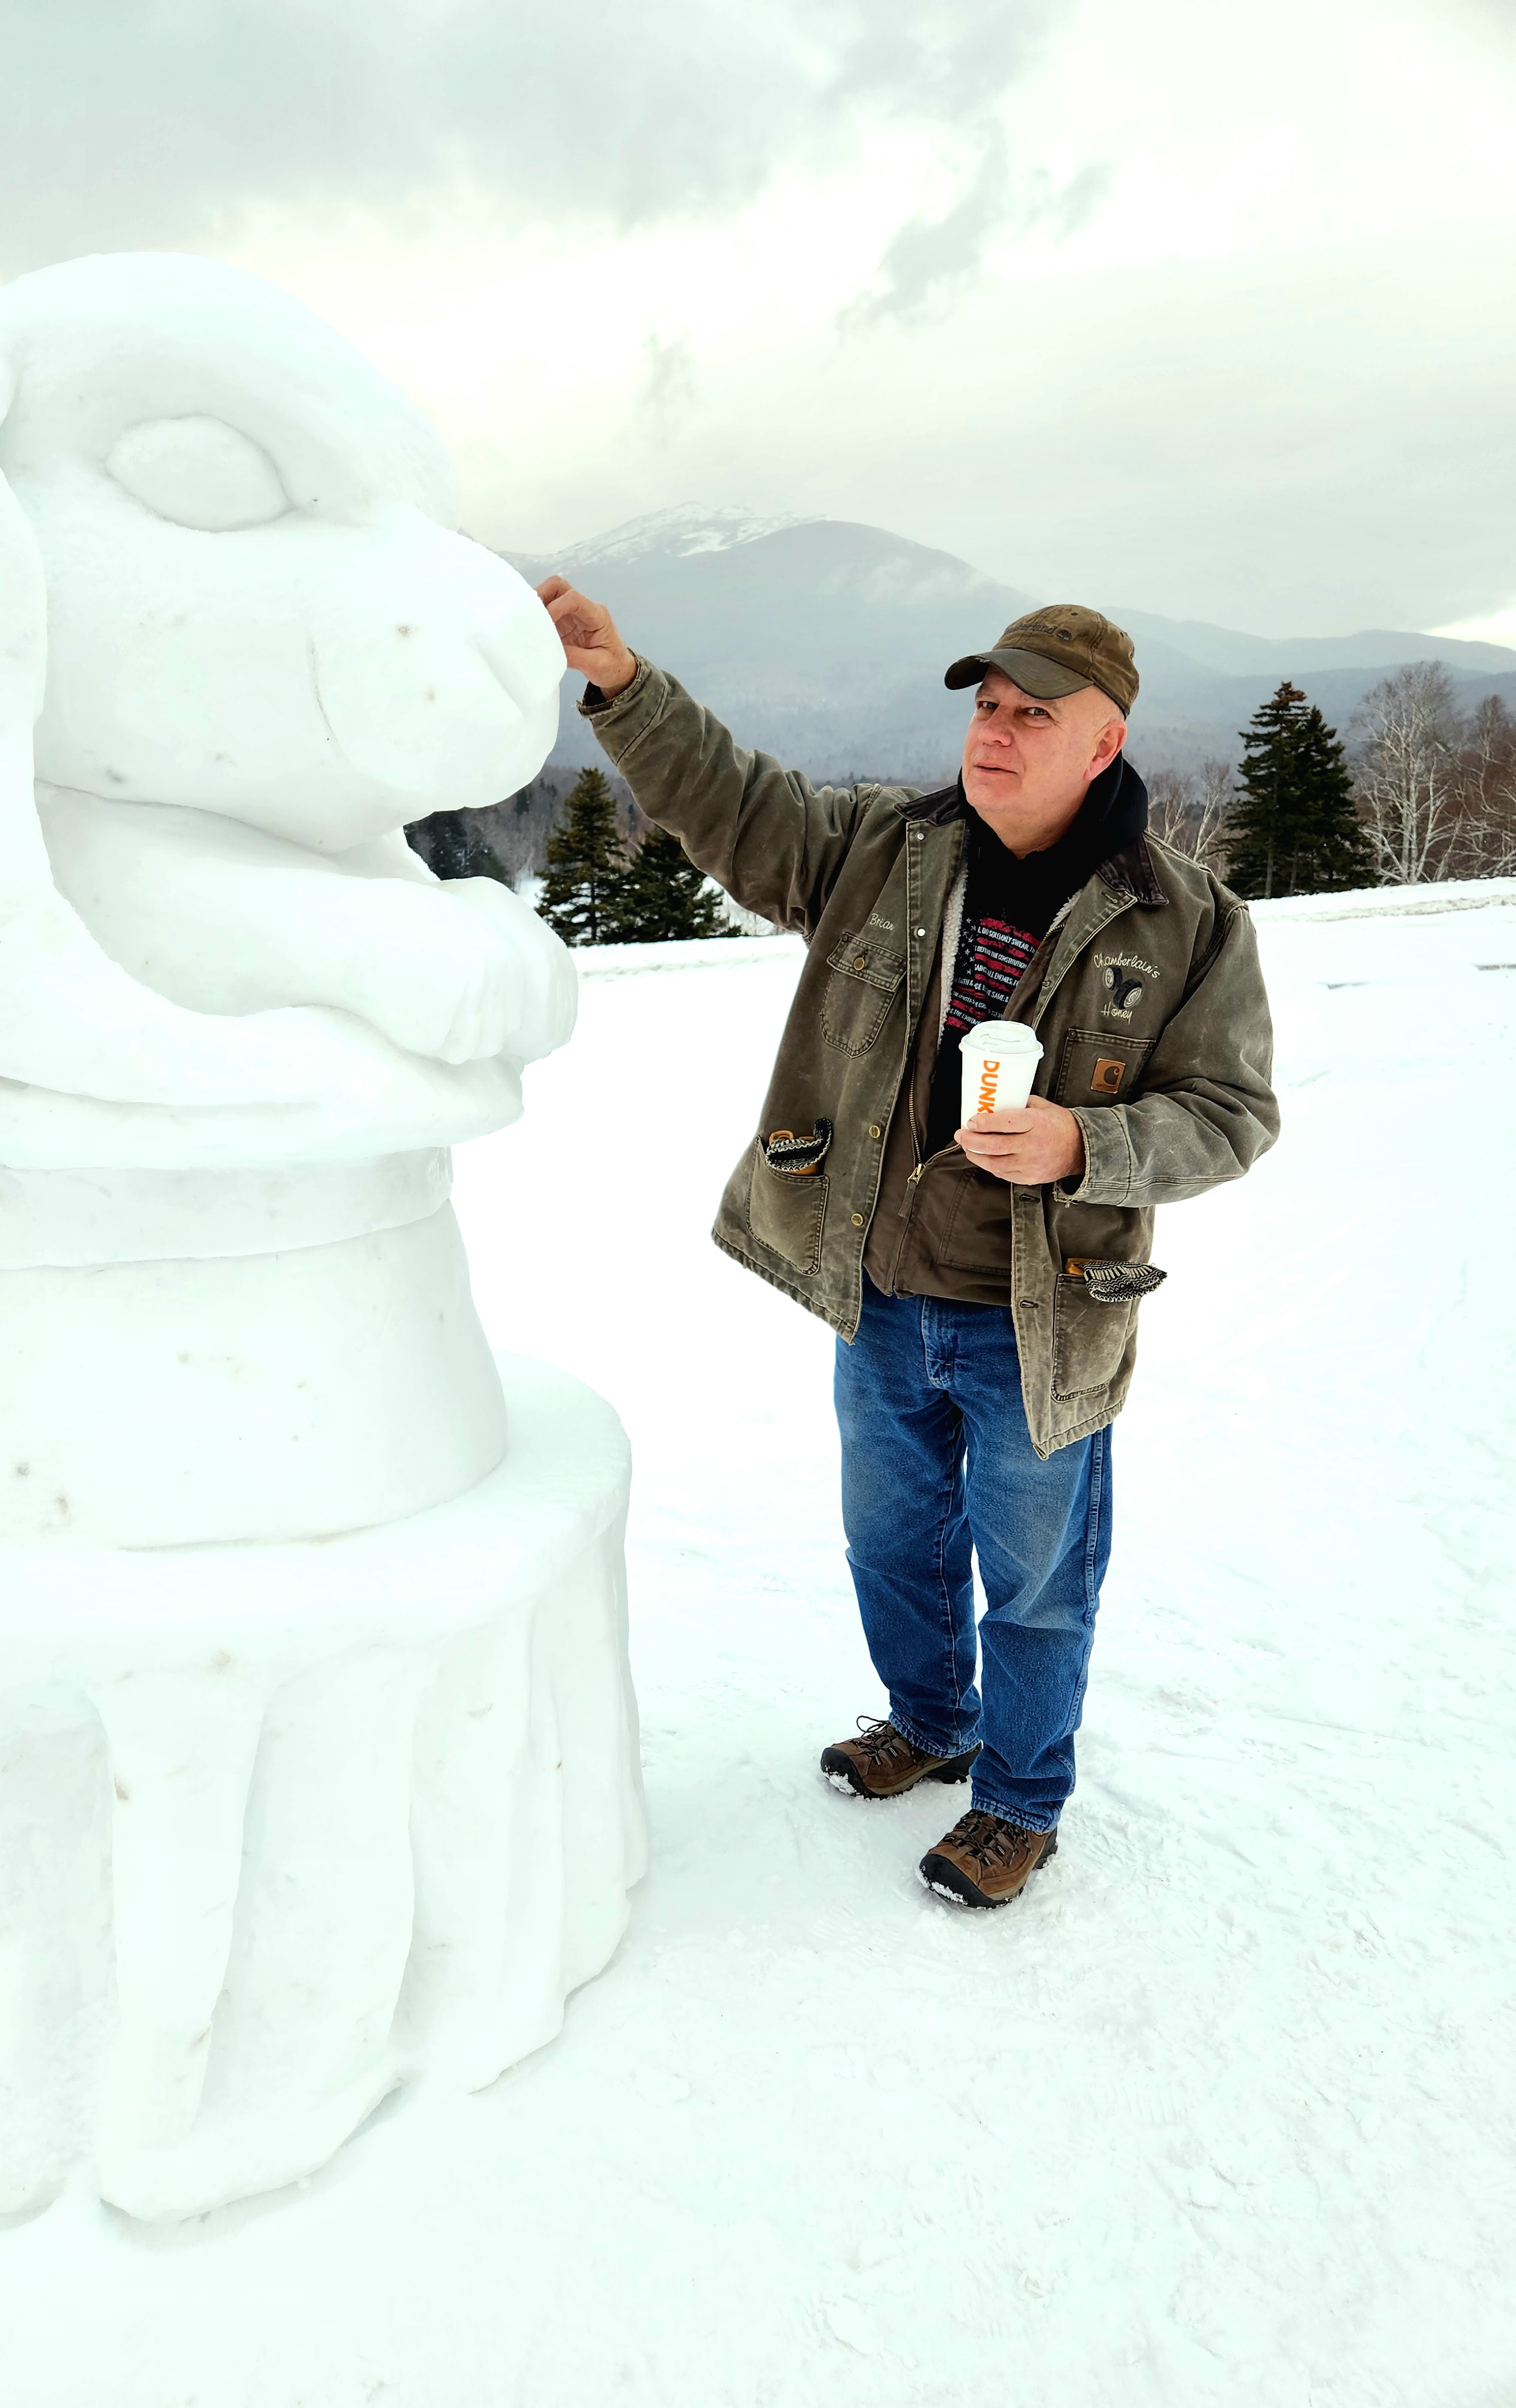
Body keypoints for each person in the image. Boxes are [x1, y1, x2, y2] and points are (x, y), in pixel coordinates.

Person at [537, 583, 1279, 1909]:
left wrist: (1083, 1145)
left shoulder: (1187, 918)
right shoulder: (888, 847)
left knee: (1038, 1579)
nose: (992, 732)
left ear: (1101, 744)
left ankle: (1019, 1796)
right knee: (892, 1542)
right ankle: (930, 1721)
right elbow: (738, 800)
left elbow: (1234, 1114)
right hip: (879, 1288)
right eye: (985, 706)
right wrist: (623, 684)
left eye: (1029, 714)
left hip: (1040, 1312)